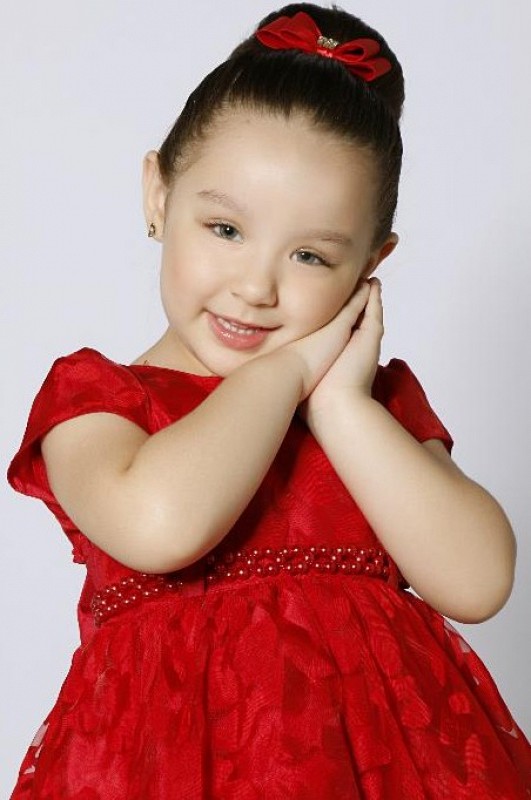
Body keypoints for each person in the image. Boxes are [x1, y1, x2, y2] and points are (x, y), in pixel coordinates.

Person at [7, 3, 531, 797]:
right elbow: (160, 526)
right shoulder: (99, 400)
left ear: (371, 264)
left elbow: (477, 580)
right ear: (158, 195)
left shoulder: (372, 409)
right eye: (224, 229)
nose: (256, 286)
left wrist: (342, 407)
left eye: (311, 255)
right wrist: (284, 374)